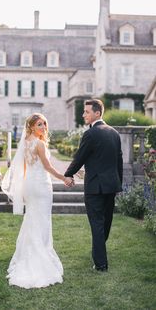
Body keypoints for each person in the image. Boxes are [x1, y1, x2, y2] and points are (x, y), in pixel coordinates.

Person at [2, 113, 71, 288]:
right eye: (39, 125)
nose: (43, 128)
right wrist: (64, 178)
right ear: (31, 126)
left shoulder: (25, 143)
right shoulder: (39, 143)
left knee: (32, 219)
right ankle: (41, 256)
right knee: (42, 220)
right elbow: (48, 167)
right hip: (40, 186)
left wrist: (23, 187)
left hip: (30, 185)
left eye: (45, 124)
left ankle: (28, 254)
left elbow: (24, 168)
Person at [64, 99, 123, 272]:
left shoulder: (90, 134)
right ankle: (100, 250)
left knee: (97, 224)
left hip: (95, 187)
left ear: (97, 113)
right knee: (105, 223)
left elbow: (79, 157)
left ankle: (101, 264)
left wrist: (68, 174)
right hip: (111, 186)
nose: (83, 115)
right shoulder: (114, 133)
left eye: (87, 112)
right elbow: (119, 161)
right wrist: (119, 182)